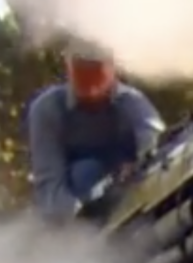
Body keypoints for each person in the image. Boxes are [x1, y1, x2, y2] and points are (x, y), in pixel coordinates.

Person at [27, 41, 165, 220]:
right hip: (78, 206)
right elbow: (50, 183)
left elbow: (154, 139)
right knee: (84, 171)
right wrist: (78, 222)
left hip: (130, 197)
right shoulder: (48, 109)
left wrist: (139, 167)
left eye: (96, 73)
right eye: (82, 71)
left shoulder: (132, 103)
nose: (92, 92)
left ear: (112, 69)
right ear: (69, 68)